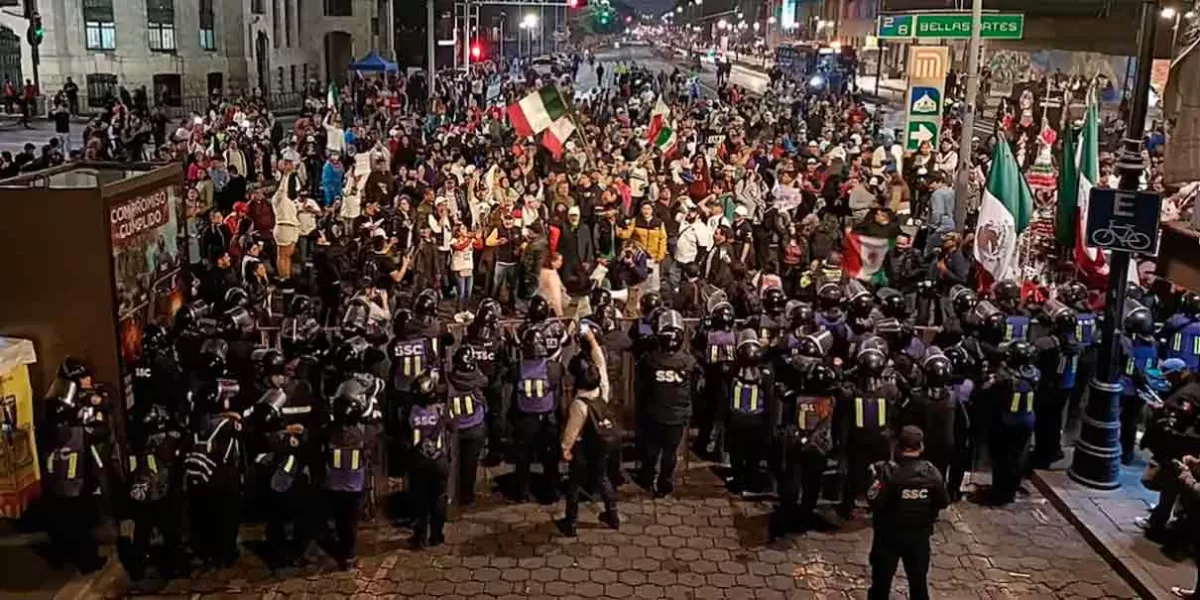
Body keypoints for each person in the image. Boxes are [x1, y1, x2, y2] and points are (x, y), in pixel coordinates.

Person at [41, 358, 110, 573]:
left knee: (75, 515)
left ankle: (72, 555)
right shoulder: (60, 406)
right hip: (69, 472)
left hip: (76, 470)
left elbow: (101, 423)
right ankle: (83, 559)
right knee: (75, 517)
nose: (89, 380)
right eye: (83, 377)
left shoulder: (88, 400)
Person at [867, 426, 949, 600]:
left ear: (898, 446)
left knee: (880, 586)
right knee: (918, 584)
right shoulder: (932, 473)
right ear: (921, 447)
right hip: (918, 538)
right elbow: (943, 502)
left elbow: (874, 501)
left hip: (888, 537)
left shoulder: (888, 472)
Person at [558, 327, 621, 536]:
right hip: (602, 443)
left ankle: (571, 522)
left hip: (584, 446)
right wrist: (593, 341)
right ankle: (613, 515)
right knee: (603, 477)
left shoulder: (580, 403)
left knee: (574, 484)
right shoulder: (603, 389)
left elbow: (572, 431)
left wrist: (566, 448)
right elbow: (600, 362)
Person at [637, 309, 700, 498]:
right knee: (670, 451)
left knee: (653, 448)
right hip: (677, 415)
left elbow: (642, 381)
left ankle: (648, 478)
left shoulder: (650, 360)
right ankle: (665, 483)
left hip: (655, 412)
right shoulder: (688, 362)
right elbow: (695, 386)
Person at [323, 375, 382, 569]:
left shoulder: (329, 432)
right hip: (357, 487)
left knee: (341, 521)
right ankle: (349, 555)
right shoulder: (366, 432)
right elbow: (377, 432)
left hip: (334, 485)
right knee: (351, 523)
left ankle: (343, 551)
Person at [404, 370, 452, 548]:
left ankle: (420, 538)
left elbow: (404, 435)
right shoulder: (441, 409)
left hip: (418, 461)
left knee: (420, 500)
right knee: (439, 497)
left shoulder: (410, 412)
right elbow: (453, 427)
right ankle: (437, 536)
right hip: (439, 460)